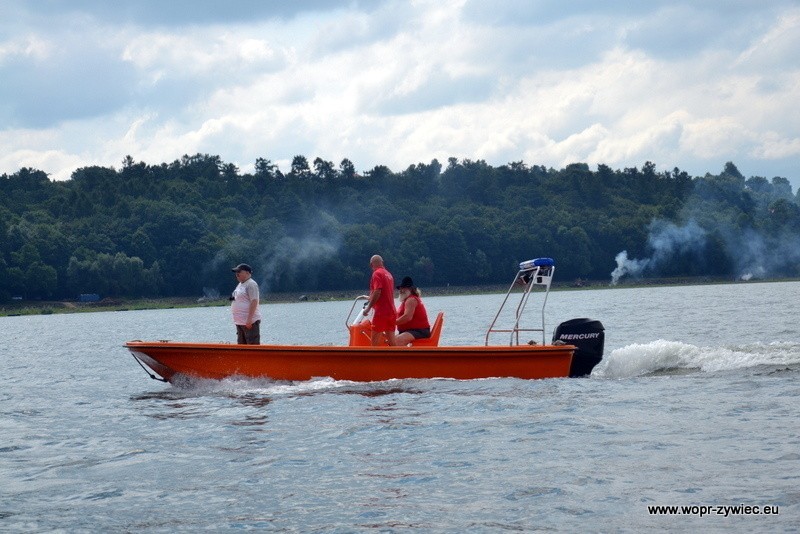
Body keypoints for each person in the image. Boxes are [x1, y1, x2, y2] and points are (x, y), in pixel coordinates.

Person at [363, 255, 396, 346]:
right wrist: (371, 296)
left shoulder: (377, 273)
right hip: (391, 311)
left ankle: (373, 359)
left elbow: (378, 291)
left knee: (374, 344)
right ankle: (398, 359)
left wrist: (368, 307)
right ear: (382, 262)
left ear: (371, 265)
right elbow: (384, 292)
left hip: (381, 312)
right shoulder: (388, 274)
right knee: (392, 342)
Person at [394, 276, 431, 346]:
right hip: (409, 331)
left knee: (398, 340)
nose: (401, 290)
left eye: (403, 288)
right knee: (390, 341)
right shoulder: (406, 300)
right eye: (400, 288)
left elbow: (407, 317)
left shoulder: (411, 300)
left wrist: (392, 323)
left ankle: (405, 357)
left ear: (410, 289)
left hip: (419, 331)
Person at [230, 263, 262, 344]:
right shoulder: (240, 284)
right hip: (240, 322)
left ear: (247, 273)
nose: (237, 274)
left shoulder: (251, 284)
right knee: (241, 348)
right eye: (236, 272)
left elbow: (254, 301)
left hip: (249, 322)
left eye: (239, 272)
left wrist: (249, 319)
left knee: (252, 346)